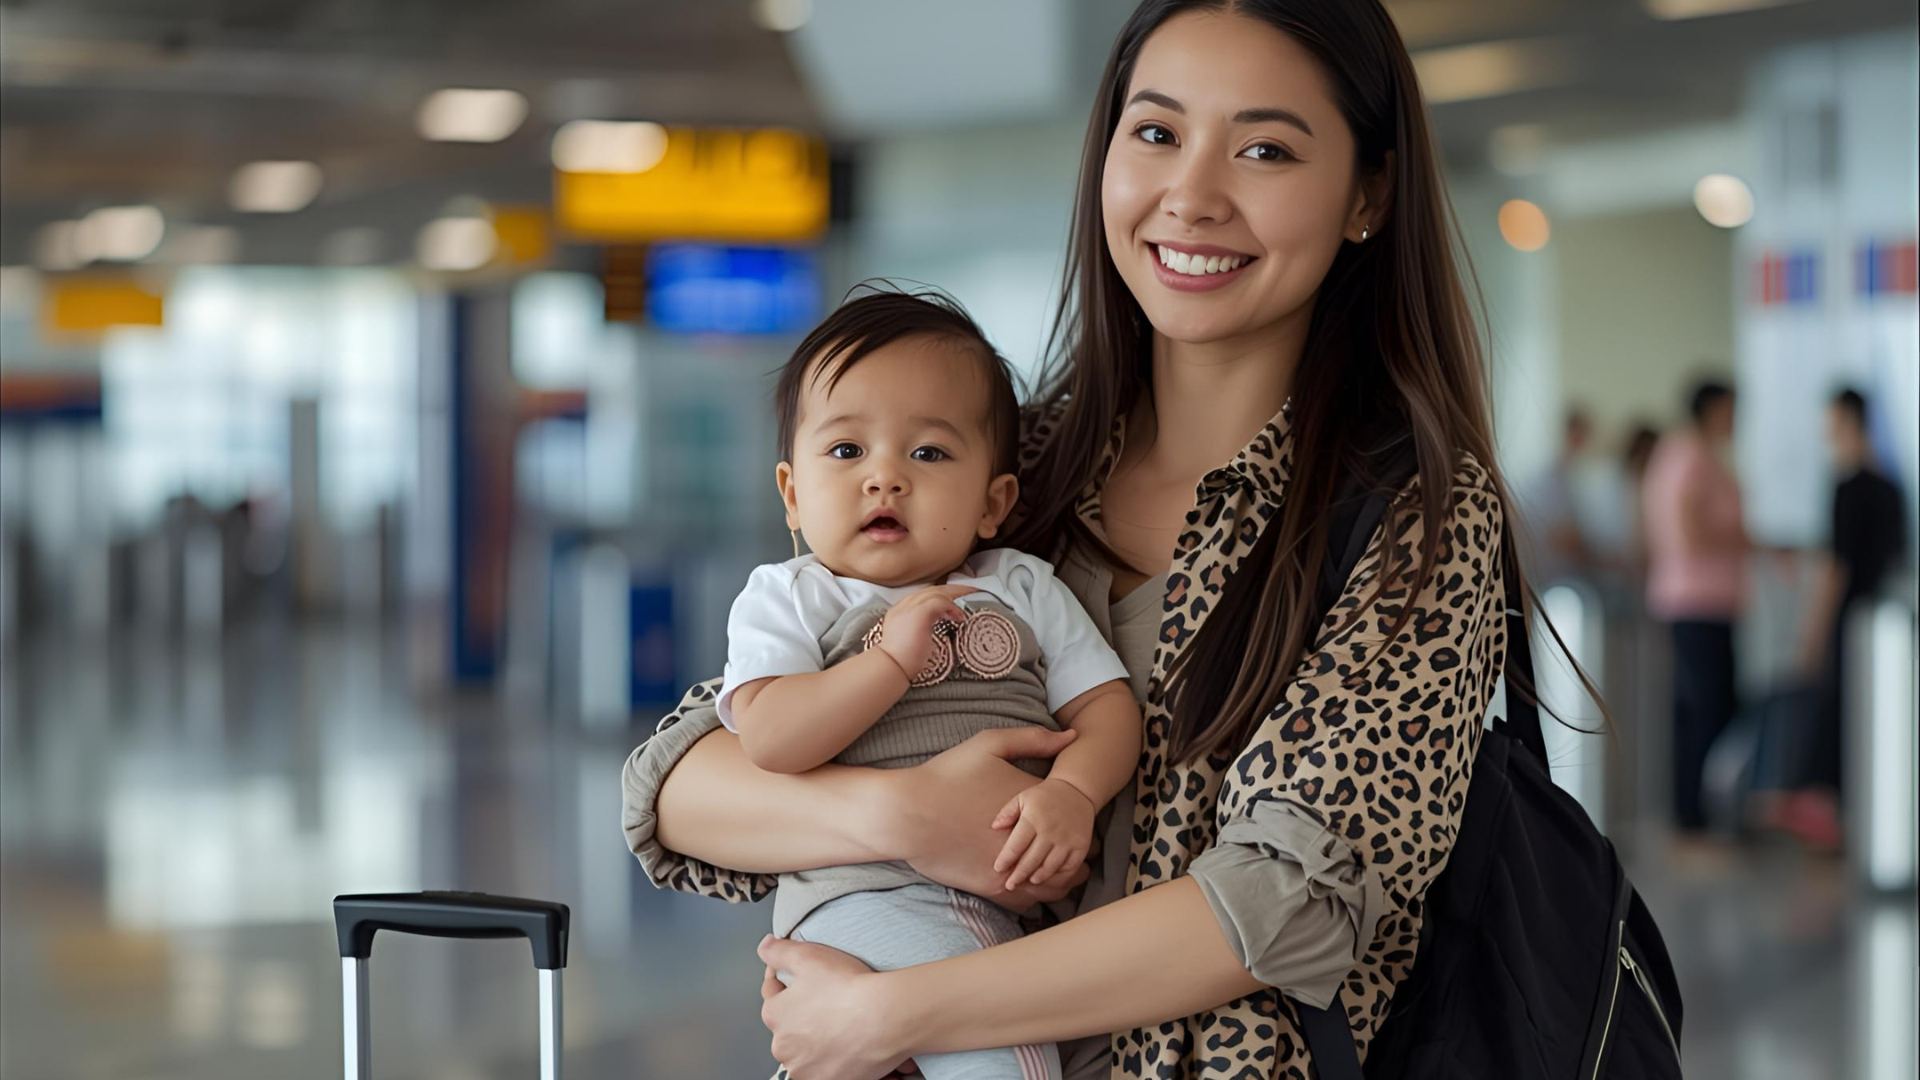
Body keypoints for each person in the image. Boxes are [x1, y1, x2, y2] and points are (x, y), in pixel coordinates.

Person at [622, 3, 1529, 1076]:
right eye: (1155, 134)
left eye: (1265, 148)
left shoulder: (1413, 508)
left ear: (1367, 194)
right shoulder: (1010, 465)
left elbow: (1287, 902)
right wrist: (910, 813)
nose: (1191, 194)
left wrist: (901, 1013)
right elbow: (682, 783)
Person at [722, 288, 1141, 1080]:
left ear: (994, 502)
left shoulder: (1020, 585)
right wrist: (885, 665)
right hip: (866, 893)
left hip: (1003, 903)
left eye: (929, 454)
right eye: (846, 452)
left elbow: (1108, 708)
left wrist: (1074, 796)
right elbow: (771, 738)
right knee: (1010, 1063)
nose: (885, 479)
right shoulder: (792, 596)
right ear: (791, 494)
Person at [1779, 387, 1908, 848]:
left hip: (1848, 617)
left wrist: (1812, 630)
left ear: (1849, 420)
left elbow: (1837, 567)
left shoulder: (1846, 486)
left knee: (1834, 710)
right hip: (1882, 626)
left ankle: (1827, 813)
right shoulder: (1891, 487)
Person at [1641, 379, 1748, 834]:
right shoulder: (1688, 456)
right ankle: (1692, 815)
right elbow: (1688, 532)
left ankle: (1693, 812)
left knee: (1700, 707)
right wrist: (1742, 540)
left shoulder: (1684, 454)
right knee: (1708, 708)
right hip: (1696, 601)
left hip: (1703, 601)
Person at [1519, 408, 1597, 583]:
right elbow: (1556, 534)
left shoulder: (1573, 478)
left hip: (1565, 572)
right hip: (1549, 572)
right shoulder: (1548, 478)